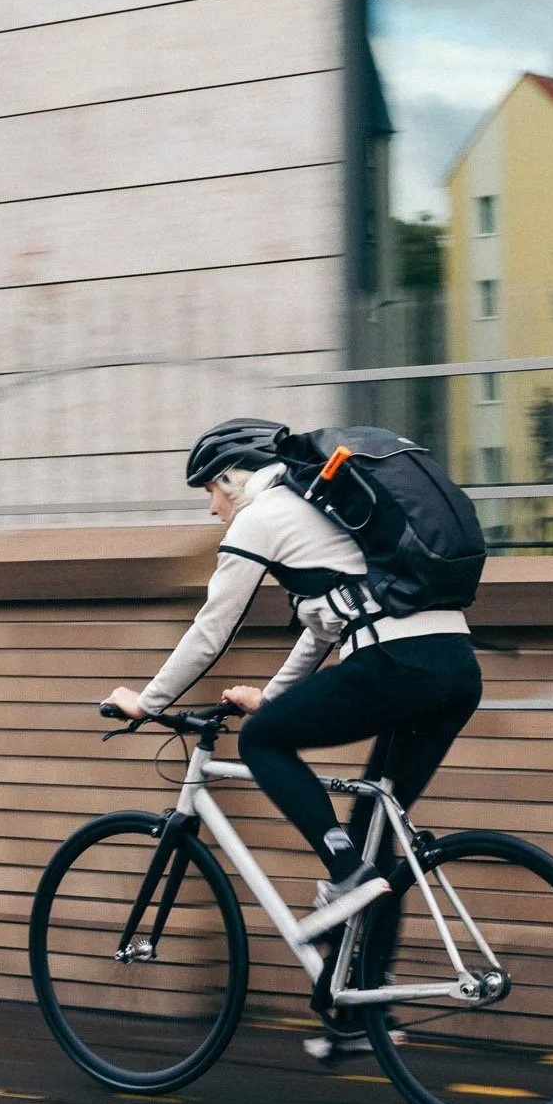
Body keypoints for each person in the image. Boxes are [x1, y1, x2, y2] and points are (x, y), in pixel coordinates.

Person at [104, 417, 482, 1058]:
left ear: (232, 477)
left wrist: (148, 701)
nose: (212, 506)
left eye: (210, 490)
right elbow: (327, 624)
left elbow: (211, 629)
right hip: (453, 666)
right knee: (376, 832)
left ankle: (345, 872)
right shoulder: (319, 513)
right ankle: (360, 1009)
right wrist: (273, 699)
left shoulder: (263, 514)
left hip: (395, 665)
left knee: (263, 747)